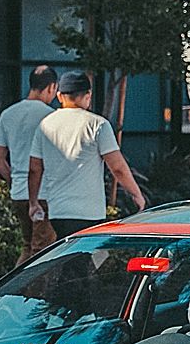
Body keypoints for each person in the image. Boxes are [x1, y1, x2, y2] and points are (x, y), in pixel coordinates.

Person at [27, 70, 146, 240]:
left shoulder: (45, 125)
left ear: (60, 96)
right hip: (89, 212)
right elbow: (117, 167)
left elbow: (34, 169)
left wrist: (33, 202)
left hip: (58, 211)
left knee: (68, 253)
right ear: (88, 95)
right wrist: (136, 194)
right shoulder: (98, 124)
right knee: (89, 254)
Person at [0, 64, 60, 261]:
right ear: (51, 87)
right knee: (42, 253)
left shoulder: (7, 114)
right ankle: (29, 283)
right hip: (44, 193)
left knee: (28, 246)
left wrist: (14, 180)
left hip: (19, 192)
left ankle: (19, 281)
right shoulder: (51, 116)